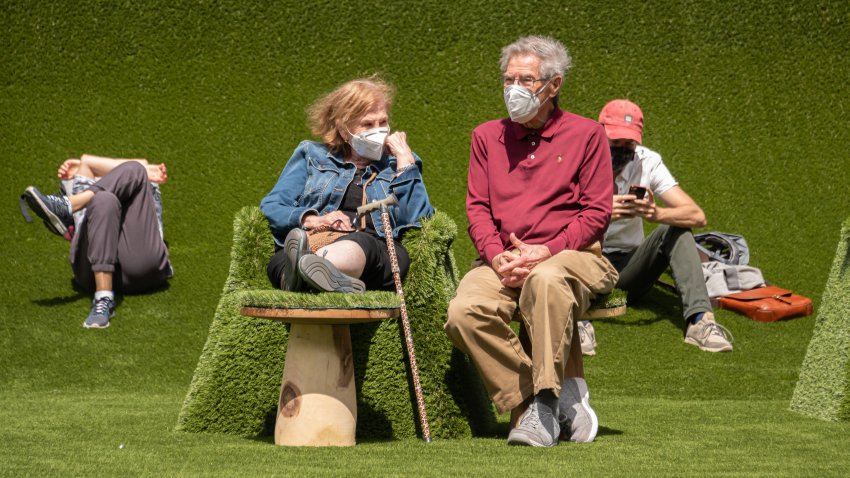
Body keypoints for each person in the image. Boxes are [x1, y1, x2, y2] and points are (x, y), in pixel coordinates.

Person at [444, 36, 619, 447]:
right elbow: (477, 209)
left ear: (553, 85)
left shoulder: (588, 134)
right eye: (508, 79)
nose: (514, 89)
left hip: (572, 256)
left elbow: (597, 213)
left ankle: (542, 407)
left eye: (526, 79)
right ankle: (548, 396)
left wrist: (547, 251)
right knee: (463, 312)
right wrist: (495, 255)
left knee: (545, 280)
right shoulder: (486, 136)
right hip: (502, 259)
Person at [580, 99, 733, 355]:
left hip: (629, 270)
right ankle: (577, 323)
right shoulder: (577, 159)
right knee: (564, 252)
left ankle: (700, 322)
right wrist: (602, 214)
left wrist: (657, 213)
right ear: (599, 133)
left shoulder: (647, 161)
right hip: (585, 262)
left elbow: (697, 215)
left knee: (676, 228)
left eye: (628, 144)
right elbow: (556, 222)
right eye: (615, 142)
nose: (622, 150)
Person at [261, 77, 433, 293]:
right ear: (343, 129)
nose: (379, 130)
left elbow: (418, 218)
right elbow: (273, 205)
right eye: (368, 124)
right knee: (278, 262)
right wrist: (313, 219)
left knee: (362, 242)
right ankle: (323, 277)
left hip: (374, 250)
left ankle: (309, 272)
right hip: (318, 239)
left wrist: (405, 163)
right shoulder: (311, 155)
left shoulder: (400, 162)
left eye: (383, 122)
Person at [20, 154, 172, 329]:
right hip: (91, 272)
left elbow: (141, 165)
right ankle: (103, 298)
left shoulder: (139, 176)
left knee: (135, 169)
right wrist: (85, 164)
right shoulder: (126, 176)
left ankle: (69, 205)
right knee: (103, 199)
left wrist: (84, 163)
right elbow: (89, 165)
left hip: (141, 264)